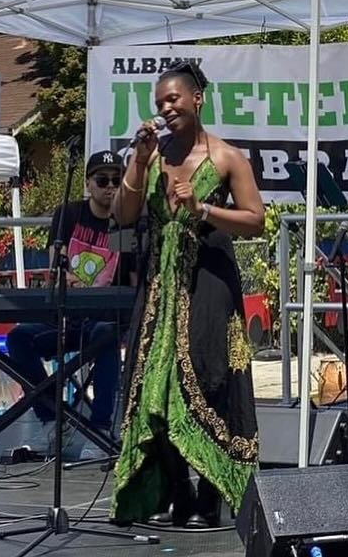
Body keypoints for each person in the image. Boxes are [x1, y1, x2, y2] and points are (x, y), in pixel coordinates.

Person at [110, 60, 266, 528]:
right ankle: (174, 490)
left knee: (206, 376)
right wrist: (138, 160)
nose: (166, 107)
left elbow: (256, 219)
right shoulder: (151, 157)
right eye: (159, 102)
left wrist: (202, 208)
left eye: (173, 98)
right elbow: (122, 214)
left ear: (197, 99)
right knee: (154, 386)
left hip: (209, 283)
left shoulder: (226, 157)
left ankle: (211, 492)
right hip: (160, 285)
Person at [5, 150, 129, 460]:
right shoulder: (69, 215)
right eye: (103, 180)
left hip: (101, 322)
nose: (110, 186)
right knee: (18, 338)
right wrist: (65, 279)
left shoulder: (124, 224)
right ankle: (52, 420)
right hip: (65, 318)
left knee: (107, 333)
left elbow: (130, 279)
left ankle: (100, 428)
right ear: (88, 183)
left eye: (117, 180)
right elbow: (55, 265)